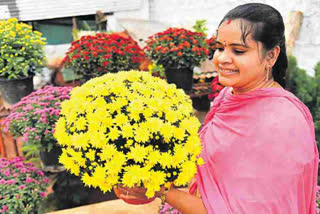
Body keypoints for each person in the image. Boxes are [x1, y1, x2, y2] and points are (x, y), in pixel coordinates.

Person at [119, 3, 319, 214]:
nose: (222, 58)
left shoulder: (281, 123)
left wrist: (160, 191)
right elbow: (213, 168)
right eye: (220, 48)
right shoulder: (229, 95)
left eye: (238, 51)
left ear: (271, 56)